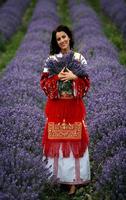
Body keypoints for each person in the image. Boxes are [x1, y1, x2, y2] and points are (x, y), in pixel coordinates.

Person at [40, 25, 91, 195]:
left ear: (69, 37)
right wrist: (57, 78)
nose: (62, 40)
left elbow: (87, 85)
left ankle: (73, 182)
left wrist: (74, 77)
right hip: (56, 107)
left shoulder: (79, 58)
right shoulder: (51, 61)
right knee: (56, 140)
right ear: (56, 42)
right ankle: (56, 178)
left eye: (64, 37)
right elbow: (44, 84)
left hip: (73, 107)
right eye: (58, 39)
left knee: (74, 140)